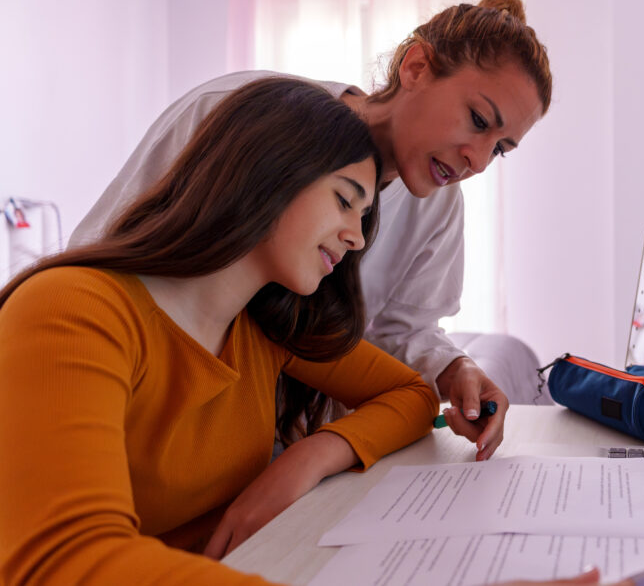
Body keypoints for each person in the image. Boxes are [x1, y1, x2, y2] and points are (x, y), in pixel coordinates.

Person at [70, 0, 554, 461]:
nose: (479, 160)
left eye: (500, 148)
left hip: (281, 439)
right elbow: (111, 256)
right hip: (146, 415)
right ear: (416, 67)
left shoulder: (438, 204)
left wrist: (453, 366)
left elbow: (402, 332)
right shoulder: (238, 115)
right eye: (476, 119)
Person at [0, 78, 441, 582]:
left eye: (364, 216)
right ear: (267, 173)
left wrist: (305, 459)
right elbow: (65, 561)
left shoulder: (265, 328)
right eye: (344, 200)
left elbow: (411, 394)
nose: (357, 238)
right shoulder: (72, 310)